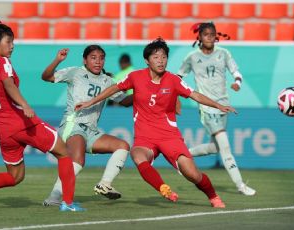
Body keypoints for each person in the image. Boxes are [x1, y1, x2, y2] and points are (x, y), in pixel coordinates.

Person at [76, 38, 237, 208]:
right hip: (145, 137)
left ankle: (213, 196)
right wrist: (90, 102)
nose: (161, 61)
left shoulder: (173, 80)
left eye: (164, 57)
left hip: (169, 136)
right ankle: (163, 188)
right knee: (137, 155)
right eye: (156, 57)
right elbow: (114, 88)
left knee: (192, 175)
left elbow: (195, 94)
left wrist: (218, 105)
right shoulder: (135, 77)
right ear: (147, 60)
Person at [0, 22, 84, 211]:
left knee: (15, 176)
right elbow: (8, 84)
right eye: (8, 41)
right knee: (64, 153)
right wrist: (25, 105)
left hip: (3, 130)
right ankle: (67, 203)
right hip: (22, 122)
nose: (12, 45)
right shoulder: (3, 62)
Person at [41, 45, 133, 206]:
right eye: (93, 57)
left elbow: (125, 101)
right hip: (73, 124)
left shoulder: (108, 81)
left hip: (91, 131)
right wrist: (57, 60)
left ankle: (104, 184)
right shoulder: (76, 72)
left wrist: (144, 91)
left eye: (101, 58)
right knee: (78, 159)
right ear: (85, 60)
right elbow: (46, 77)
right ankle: (54, 197)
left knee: (123, 146)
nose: (98, 61)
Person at [177, 22, 256, 196]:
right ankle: (240, 185)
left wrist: (237, 82)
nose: (209, 38)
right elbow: (178, 78)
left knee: (215, 148)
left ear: (215, 36)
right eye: (206, 34)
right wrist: (178, 97)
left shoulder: (223, 53)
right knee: (225, 147)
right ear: (199, 36)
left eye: (212, 34)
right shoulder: (192, 57)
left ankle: (182, 157)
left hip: (223, 106)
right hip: (206, 108)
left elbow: (237, 72)